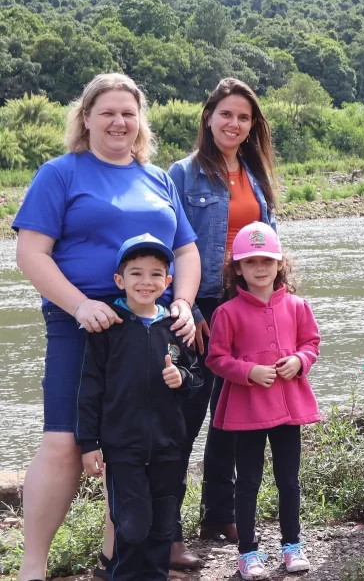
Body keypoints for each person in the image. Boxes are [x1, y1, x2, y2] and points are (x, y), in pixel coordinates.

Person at [12, 73, 200, 581]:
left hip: (149, 327)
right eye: (108, 113)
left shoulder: (157, 177)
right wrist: (79, 306)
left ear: (140, 122)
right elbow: (31, 253)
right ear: (86, 118)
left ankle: (117, 562)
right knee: (63, 442)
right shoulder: (60, 173)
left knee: (133, 444)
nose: (119, 122)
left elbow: (185, 250)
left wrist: (183, 303)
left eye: (128, 113)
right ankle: (32, 567)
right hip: (83, 324)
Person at [168, 77, 278, 561]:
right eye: (226, 114)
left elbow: (269, 247)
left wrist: (275, 304)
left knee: (231, 416)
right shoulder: (182, 174)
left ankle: (218, 512)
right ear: (208, 118)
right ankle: (166, 528)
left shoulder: (255, 174)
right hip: (200, 307)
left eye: (243, 117)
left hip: (245, 306)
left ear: (253, 126)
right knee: (185, 416)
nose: (234, 123)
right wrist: (190, 308)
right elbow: (169, 247)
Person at [76, 235, 202, 580]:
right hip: (122, 446)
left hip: (168, 445)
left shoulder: (176, 327)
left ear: (168, 281)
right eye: (136, 273)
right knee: (132, 522)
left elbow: (197, 380)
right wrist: (89, 443)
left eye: (156, 274)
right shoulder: (108, 328)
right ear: (120, 280)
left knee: (163, 522)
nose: (146, 282)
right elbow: (89, 389)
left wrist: (182, 378)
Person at [206, 222, 320, 580]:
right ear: (238, 268)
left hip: (289, 408)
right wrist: (248, 371)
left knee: (289, 479)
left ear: (279, 263)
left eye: (267, 260)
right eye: (251, 261)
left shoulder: (298, 306)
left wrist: (300, 360)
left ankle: (292, 545)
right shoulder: (227, 312)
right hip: (248, 409)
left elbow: (311, 343)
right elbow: (216, 358)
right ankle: (248, 551)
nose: (260, 267)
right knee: (248, 481)